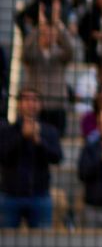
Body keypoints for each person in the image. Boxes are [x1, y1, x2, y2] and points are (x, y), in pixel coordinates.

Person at [0, 89, 63, 228]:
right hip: (9, 195)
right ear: (19, 104)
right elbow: (3, 155)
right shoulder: (7, 130)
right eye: (26, 99)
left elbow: (57, 157)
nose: (30, 103)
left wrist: (38, 141)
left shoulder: (49, 131)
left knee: (42, 237)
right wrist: (22, 137)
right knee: (5, 237)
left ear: (40, 105)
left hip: (40, 195)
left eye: (34, 100)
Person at [21, 19, 75, 135]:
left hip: (57, 105)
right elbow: (25, 52)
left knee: (56, 139)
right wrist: (38, 27)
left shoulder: (60, 54)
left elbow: (70, 49)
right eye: (45, 33)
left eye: (52, 33)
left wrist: (59, 25)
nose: (49, 36)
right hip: (36, 107)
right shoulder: (33, 53)